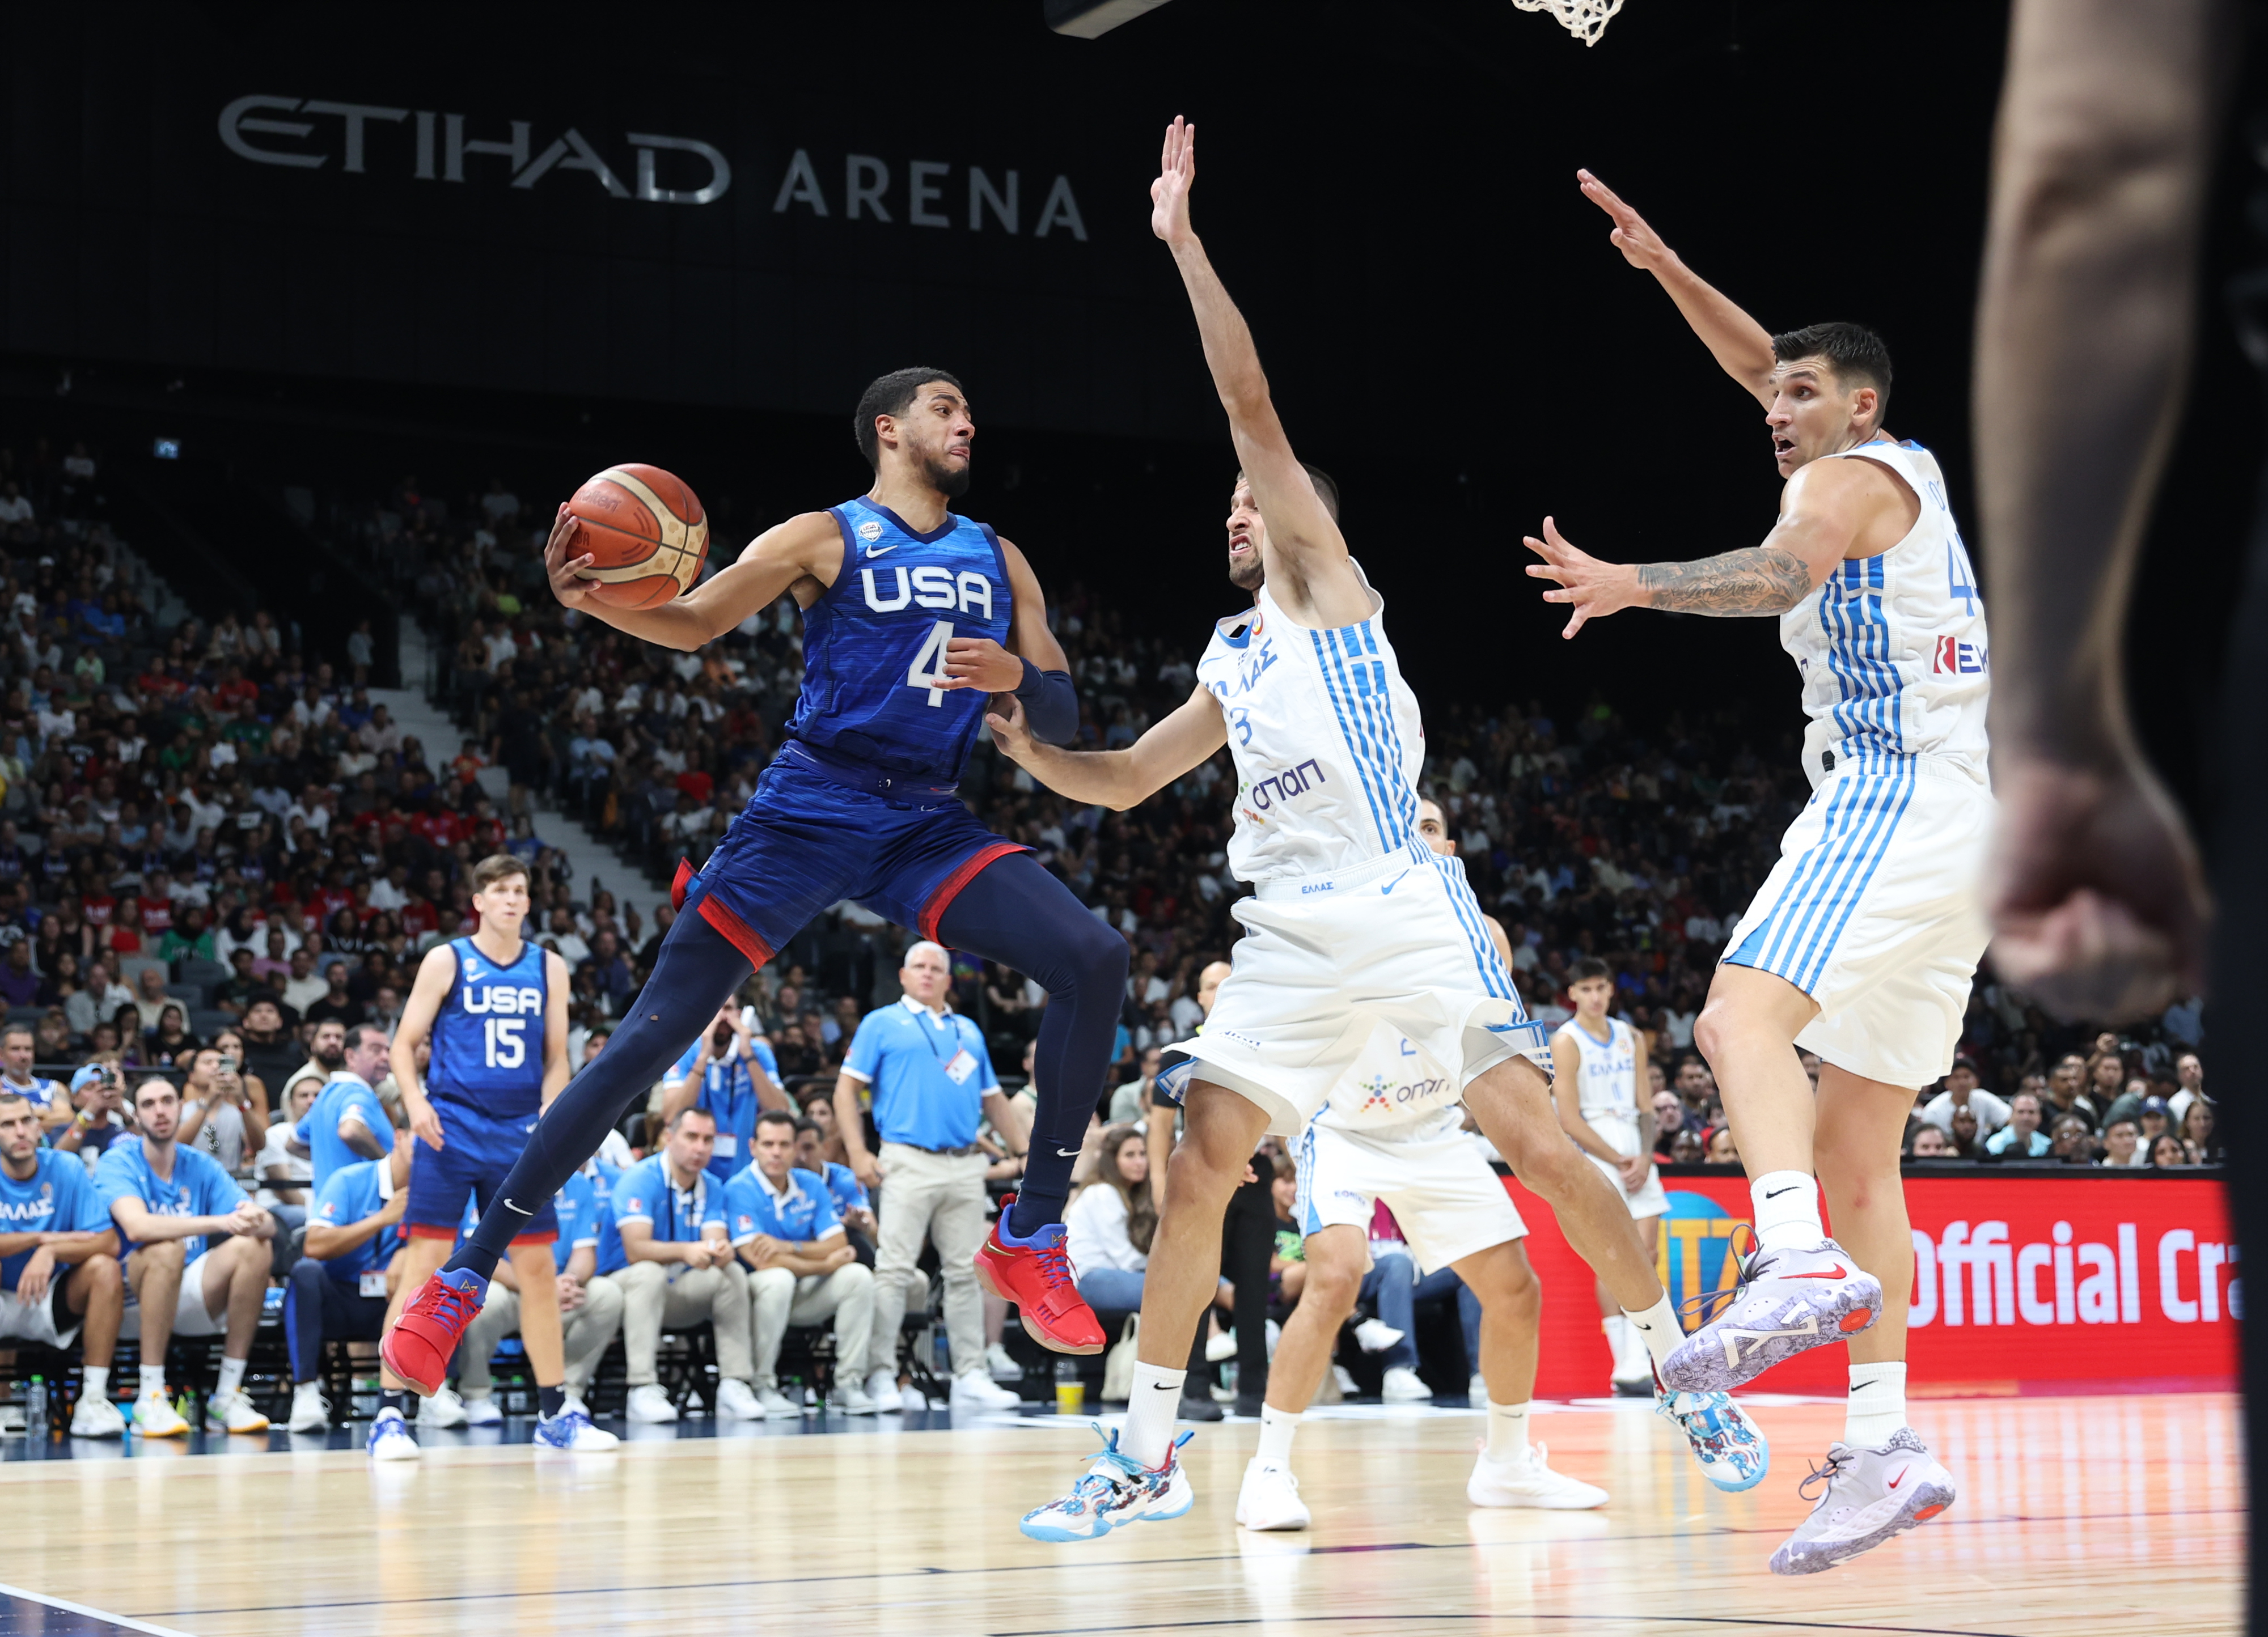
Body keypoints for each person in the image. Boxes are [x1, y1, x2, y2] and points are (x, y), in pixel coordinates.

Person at [1011, 122, 1718, 1543]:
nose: (1231, 510)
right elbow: (1130, 783)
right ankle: (1149, 1451)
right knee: (1203, 1150)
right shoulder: (1231, 656)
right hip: (1283, 930)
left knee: (1537, 1143)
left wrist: (1182, 243)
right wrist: (1023, 743)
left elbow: (1247, 404)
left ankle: (1675, 1369)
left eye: (1245, 501)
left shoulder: (1324, 587)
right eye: (1227, 504)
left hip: (1396, 897)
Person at [385, 367, 1135, 1394]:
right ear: (888, 428)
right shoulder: (823, 536)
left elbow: (1061, 719)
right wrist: (591, 598)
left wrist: (1017, 678)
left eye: (968, 410)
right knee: (647, 1039)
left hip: (925, 817)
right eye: (945, 407)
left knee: (1097, 956)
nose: (967, 422)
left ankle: (1033, 1230)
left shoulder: (1000, 555)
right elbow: (695, 621)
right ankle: (462, 1277)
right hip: (808, 809)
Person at [1524, 167, 1978, 1570]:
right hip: (1970, 819)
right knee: (1857, 1151)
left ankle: (1786, 1259)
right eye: (1766, 395)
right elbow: (1757, 363)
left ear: (1859, 407)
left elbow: (1781, 579)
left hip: (1891, 793)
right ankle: (1885, 1440)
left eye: (1797, 395)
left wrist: (1634, 581)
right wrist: (1664, 264)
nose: (1769, 410)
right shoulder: (1876, 454)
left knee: (1734, 1017)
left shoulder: (1840, 483)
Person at [378, 855, 613, 1455]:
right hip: (451, 1127)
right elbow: (405, 1044)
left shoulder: (549, 966)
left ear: (528, 903)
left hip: (518, 1134)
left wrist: (551, 1116)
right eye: (499, 890)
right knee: (423, 1262)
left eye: (519, 891)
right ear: (477, 900)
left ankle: (555, 1411)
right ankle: (391, 1414)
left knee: (538, 1270)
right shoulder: (447, 958)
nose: (510, 899)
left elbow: (557, 1056)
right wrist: (414, 1102)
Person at [836, 941, 1027, 1414]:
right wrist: (859, 1151)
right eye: (918, 966)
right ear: (903, 976)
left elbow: (994, 1099)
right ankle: (881, 1374)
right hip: (907, 1156)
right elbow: (846, 1090)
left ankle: (970, 1374)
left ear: (948, 979)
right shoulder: (880, 1023)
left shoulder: (968, 1030)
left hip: (964, 1162)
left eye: (935, 968)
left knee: (968, 1272)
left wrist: (1025, 1152)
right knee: (895, 1270)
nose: (926, 974)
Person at [95, 1076, 277, 1436]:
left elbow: (268, 1225)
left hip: (188, 1291)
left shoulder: (200, 1162)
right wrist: (224, 1221)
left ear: (181, 1106)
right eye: (149, 1104)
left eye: (167, 1101)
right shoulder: (118, 1161)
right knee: (166, 1248)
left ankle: (227, 1396)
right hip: (128, 1300)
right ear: (137, 1114)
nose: (160, 1111)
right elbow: (137, 1228)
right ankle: (150, 1398)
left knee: (256, 1246)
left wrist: (255, 1218)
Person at [1550, 958, 1668, 1397]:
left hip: (1635, 1147)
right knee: (1614, 1254)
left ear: (1611, 989)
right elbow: (1569, 1117)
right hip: (1596, 1147)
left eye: (1601, 987)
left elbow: (1646, 1106)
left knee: (1648, 1251)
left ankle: (1642, 1350)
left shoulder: (1630, 1036)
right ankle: (1626, 1361)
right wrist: (1619, 1158)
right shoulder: (1566, 1040)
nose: (1595, 996)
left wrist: (1645, 1156)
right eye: (1586, 989)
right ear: (1573, 993)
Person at [612, 1105, 761, 1423]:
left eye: (708, 1140)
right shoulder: (640, 1178)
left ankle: (735, 1384)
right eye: (691, 1137)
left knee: (731, 1272)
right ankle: (641, 1387)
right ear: (668, 1137)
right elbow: (635, 1249)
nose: (700, 1147)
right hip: (625, 1288)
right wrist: (686, 1250)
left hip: (679, 1289)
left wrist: (721, 1251)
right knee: (648, 1272)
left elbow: (714, 1241)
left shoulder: (712, 1185)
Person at [728, 1108, 877, 1415]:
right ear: (753, 1147)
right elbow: (761, 1261)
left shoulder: (810, 1183)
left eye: (784, 1145)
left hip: (802, 1289)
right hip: (755, 1293)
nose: (776, 1153)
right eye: (768, 1144)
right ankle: (763, 1384)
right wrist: (824, 1263)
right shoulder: (738, 1189)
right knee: (778, 1279)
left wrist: (787, 1247)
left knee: (858, 1277)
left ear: (796, 1148)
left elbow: (837, 1242)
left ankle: (849, 1383)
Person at [456, 1161, 624, 1426]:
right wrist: (542, 1288)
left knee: (607, 1294)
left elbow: (585, 1252)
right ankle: (476, 1394)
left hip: (559, 1289)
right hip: (512, 1287)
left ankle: (567, 1391)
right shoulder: (491, 1176)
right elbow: (479, 1254)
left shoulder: (578, 1183)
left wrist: (570, 1280)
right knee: (486, 1299)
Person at [0, 1089, 128, 1436]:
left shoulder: (66, 1167)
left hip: (51, 1297)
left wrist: (52, 1252)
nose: (21, 1131)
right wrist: (41, 1240)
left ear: (38, 1125)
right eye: (7, 1125)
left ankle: (93, 1401)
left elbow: (108, 1241)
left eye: (26, 1121)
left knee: (105, 1268)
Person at [285, 1130, 411, 1435]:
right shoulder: (349, 1180)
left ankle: (438, 1391)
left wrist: (412, 1254)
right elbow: (313, 1245)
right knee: (305, 1273)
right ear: (401, 1138)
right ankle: (306, 1394)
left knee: (443, 1281)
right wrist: (382, 1219)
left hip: (394, 1301)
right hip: (341, 1295)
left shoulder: (439, 1190)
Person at [662, 1000, 786, 1184]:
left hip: (745, 1169)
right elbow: (671, 1116)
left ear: (739, 1014)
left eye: (727, 1009)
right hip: (694, 1169)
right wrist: (703, 1057)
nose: (722, 1017)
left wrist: (749, 1056)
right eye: (716, 1008)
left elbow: (781, 1110)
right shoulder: (684, 1051)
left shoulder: (758, 1052)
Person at [295, 1022, 392, 1190]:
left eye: (388, 1050)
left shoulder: (327, 1094)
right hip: (361, 1211)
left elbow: (294, 1144)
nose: (385, 1057)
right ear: (350, 1057)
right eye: (376, 1050)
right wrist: (388, 1167)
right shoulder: (358, 1094)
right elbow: (350, 1131)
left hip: (327, 1207)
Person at [0, 1023, 70, 1132]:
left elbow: (67, 1119)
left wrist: (22, 1120)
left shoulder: (54, 1087)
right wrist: (42, 1114)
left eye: (28, 1049)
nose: (23, 1056)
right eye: (15, 1049)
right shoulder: (1, 1088)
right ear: (1, 1054)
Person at [1985, 1092, 2052, 1160]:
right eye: (2021, 1112)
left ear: (2040, 1117)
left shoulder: (2047, 1144)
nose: (2026, 1118)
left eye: (2031, 1112)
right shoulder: (1995, 1144)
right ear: (2012, 1115)